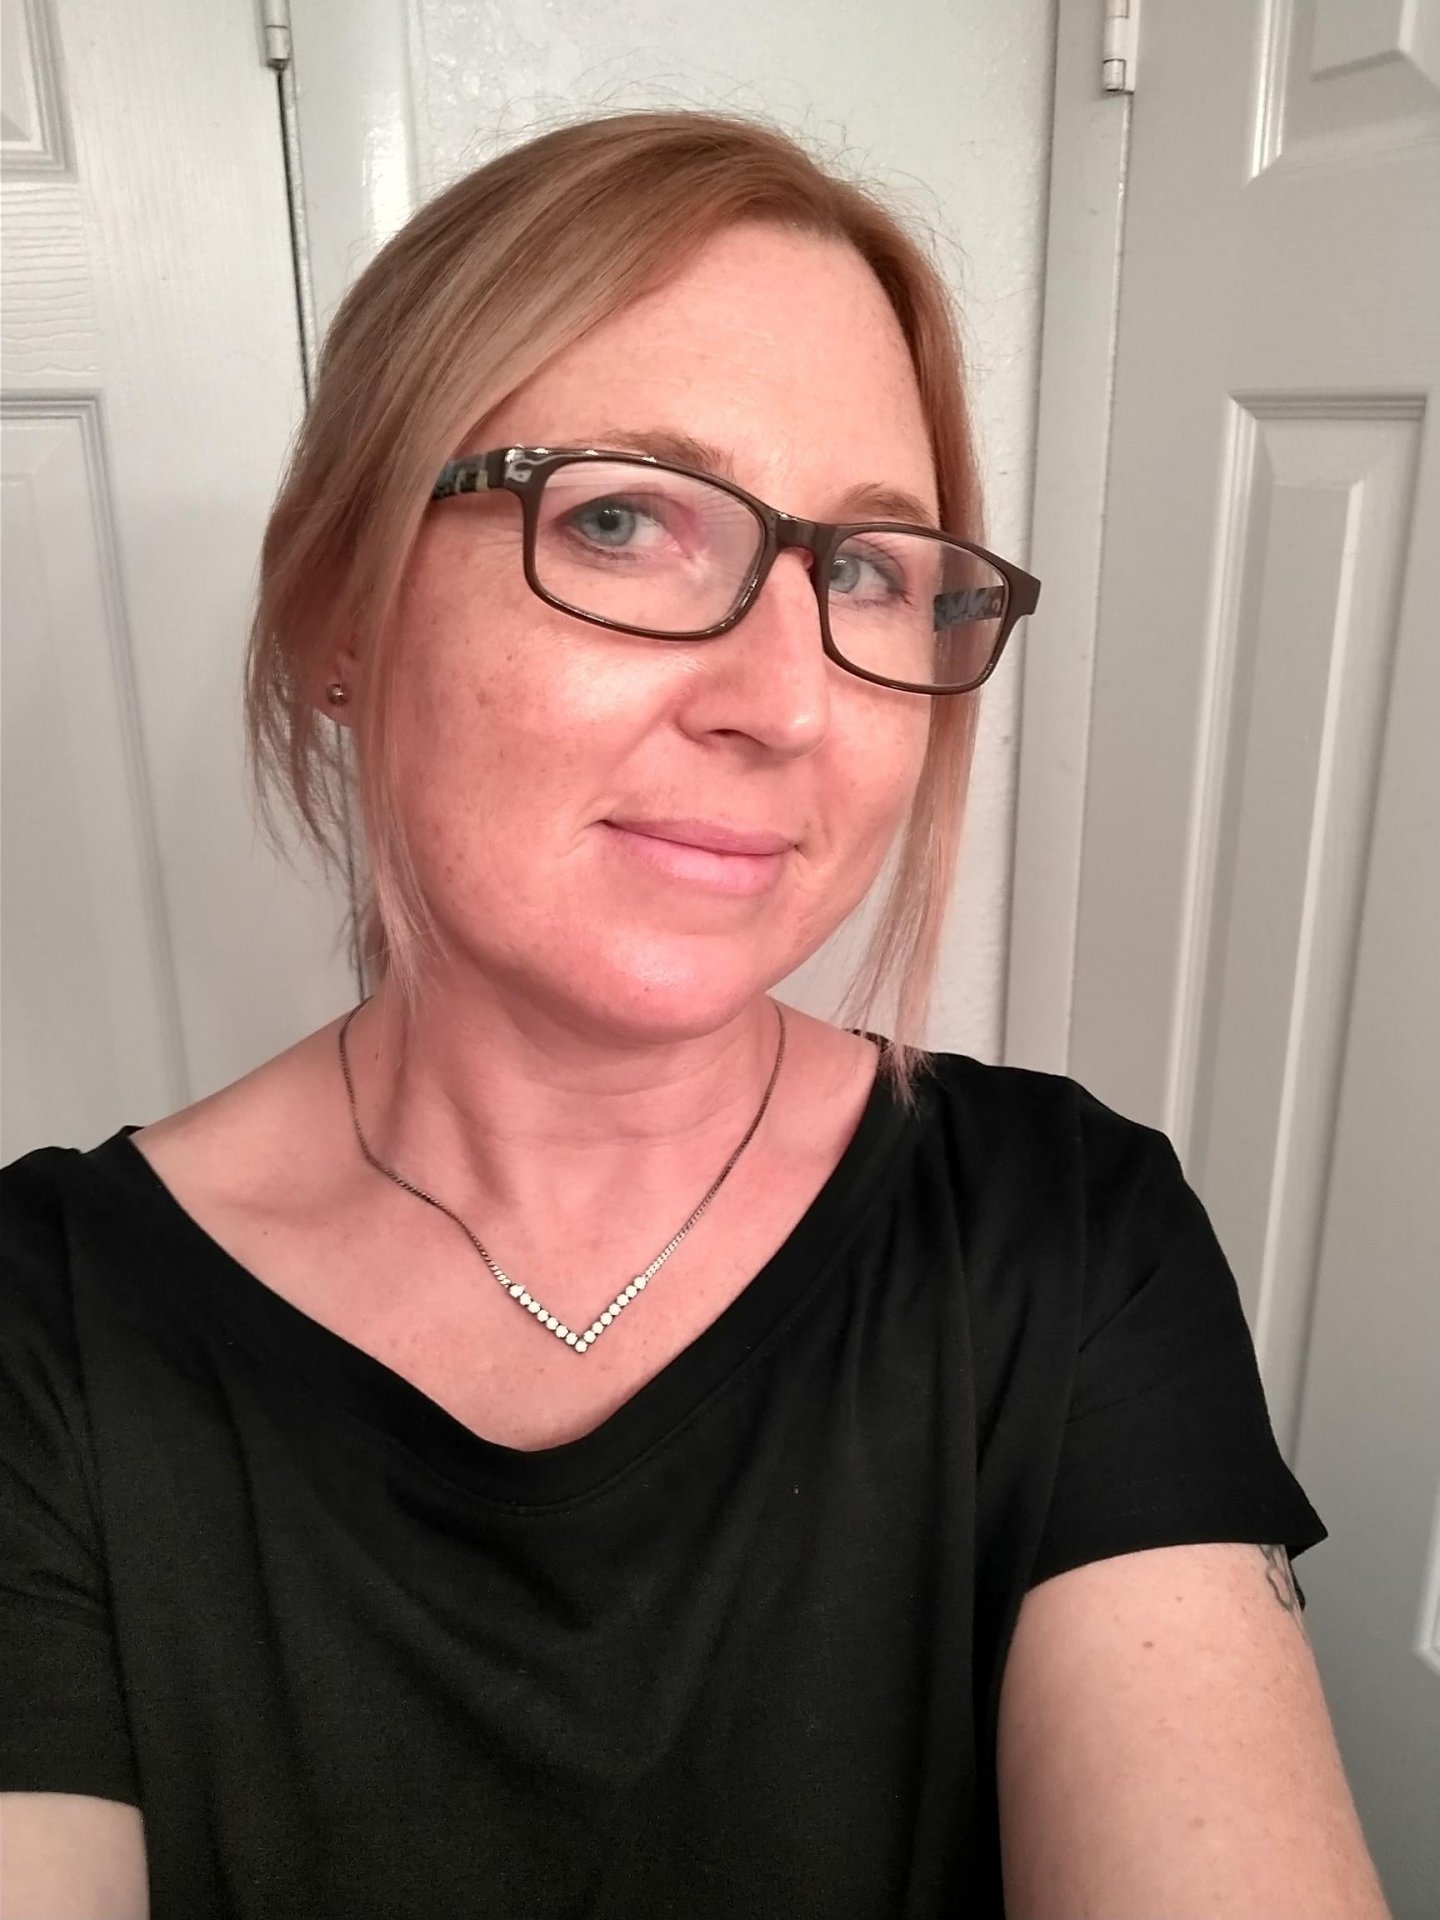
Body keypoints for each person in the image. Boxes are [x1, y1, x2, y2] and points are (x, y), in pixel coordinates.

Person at [0, 110, 1388, 1919]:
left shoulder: (1062, 1236)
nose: (785, 702)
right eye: (623, 518)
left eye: (868, 569)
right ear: (340, 602)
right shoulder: (45, 1333)